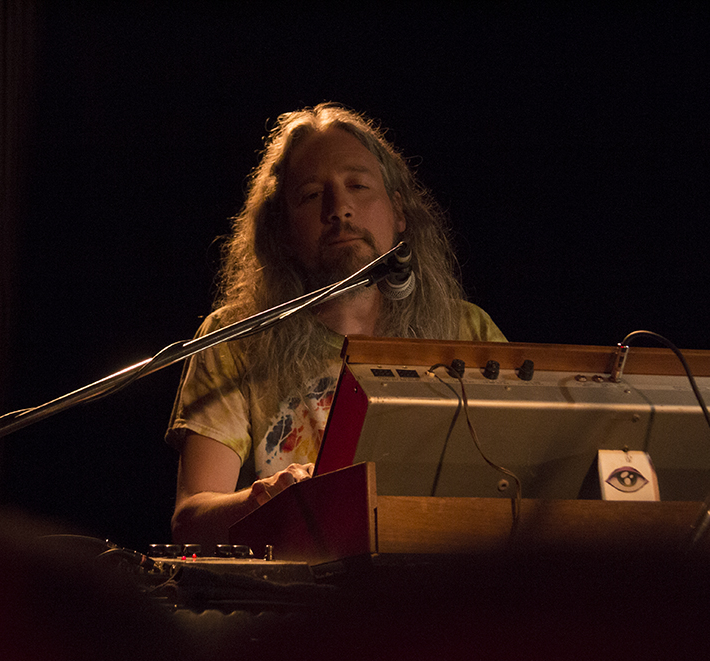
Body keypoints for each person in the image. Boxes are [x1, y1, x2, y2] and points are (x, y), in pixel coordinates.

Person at [166, 103, 506, 546]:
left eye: (358, 186)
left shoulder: (467, 330)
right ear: (282, 229)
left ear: (398, 211)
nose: (339, 209)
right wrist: (266, 497)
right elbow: (191, 519)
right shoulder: (235, 336)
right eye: (311, 195)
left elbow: (528, 482)